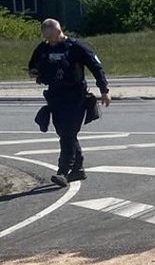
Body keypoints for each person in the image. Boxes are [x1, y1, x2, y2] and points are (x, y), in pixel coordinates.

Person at [27, 18, 111, 187]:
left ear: (59, 31)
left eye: (52, 37)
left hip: (75, 96)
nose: (50, 41)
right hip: (55, 97)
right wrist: (35, 72)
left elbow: (96, 67)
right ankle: (78, 169)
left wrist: (104, 90)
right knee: (66, 133)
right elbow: (32, 66)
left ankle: (63, 172)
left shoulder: (76, 47)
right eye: (47, 38)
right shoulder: (43, 48)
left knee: (67, 134)